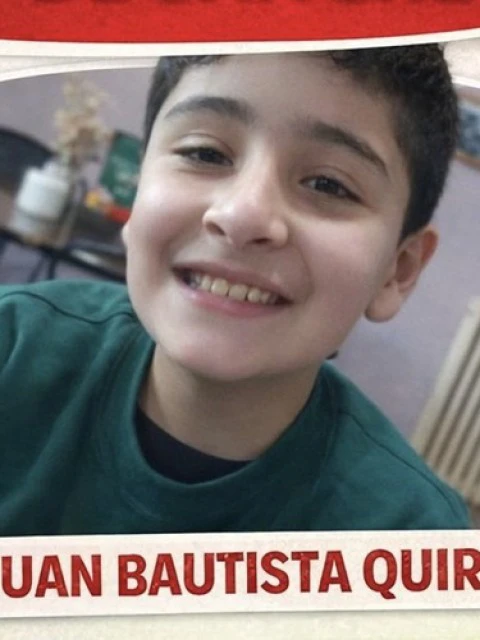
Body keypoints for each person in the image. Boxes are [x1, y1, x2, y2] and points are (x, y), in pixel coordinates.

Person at [0, 46, 471, 535]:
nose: (242, 215)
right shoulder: (13, 347)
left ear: (398, 270)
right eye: (204, 153)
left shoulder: (412, 537)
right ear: (139, 188)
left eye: (329, 185)